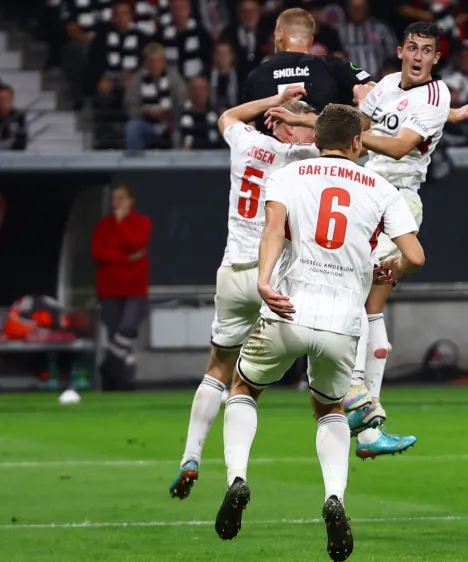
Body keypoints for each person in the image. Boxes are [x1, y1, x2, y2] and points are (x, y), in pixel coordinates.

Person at [267, 22, 468, 459]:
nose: (419, 56)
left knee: (365, 295)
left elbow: (398, 146)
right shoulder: (386, 86)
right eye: (413, 48)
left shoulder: (436, 95)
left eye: (427, 50)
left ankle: (358, 397)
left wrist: (317, 124)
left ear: (436, 58)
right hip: (362, 192)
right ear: (401, 51)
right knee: (361, 300)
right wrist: (317, 127)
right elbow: (360, 134)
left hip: (398, 199)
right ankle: (366, 425)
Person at [214, 104, 425, 562]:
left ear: (317, 137)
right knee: (329, 408)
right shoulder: (381, 187)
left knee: (244, 388)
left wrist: (264, 281)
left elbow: (273, 231)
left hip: (289, 308)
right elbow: (415, 255)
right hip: (343, 321)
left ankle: (237, 478)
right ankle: (334, 498)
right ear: (357, 143)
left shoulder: (288, 174)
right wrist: (392, 264)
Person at [167, 85, 318, 500]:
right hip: (272, 277)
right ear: (288, 128)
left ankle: (190, 457)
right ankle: (237, 475)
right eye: (303, 124)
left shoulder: (247, 143)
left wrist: (274, 102)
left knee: (217, 366)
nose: (310, 130)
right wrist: (297, 115)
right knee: (247, 386)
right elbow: (349, 132)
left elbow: (227, 117)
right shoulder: (305, 157)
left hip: (232, 273)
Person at [243, 8, 468, 131]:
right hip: (321, 169)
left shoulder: (256, 76)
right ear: (312, 37)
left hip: (274, 174)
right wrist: (449, 112)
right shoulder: (333, 65)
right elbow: (385, 96)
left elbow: (244, 127)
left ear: (279, 35)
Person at [91, 184, 152, 391]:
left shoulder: (142, 222)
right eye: (114, 198)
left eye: (121, 198)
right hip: (109, 289)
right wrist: (125, 258)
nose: (116, 202)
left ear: (131, 200)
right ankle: (123, 382)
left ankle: (107, 367)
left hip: (135, 288)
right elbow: (98, 253)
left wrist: (121, 223)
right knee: (116, 336)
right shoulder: (103, 225)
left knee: (127, 329)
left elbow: (136, 244)